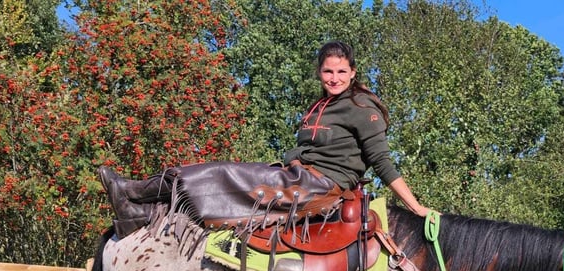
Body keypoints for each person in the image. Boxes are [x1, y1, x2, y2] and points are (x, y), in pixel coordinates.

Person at [99, 41, 429, 238]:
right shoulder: (318, 106)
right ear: (319, 72)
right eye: (328, 71)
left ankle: (131, 190)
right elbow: (303, 146)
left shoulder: (362, 107)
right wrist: (295, 157)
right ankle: (141, 213)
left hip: (324, 188)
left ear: (353, 72)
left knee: (223, 174)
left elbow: (382, 163)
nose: (335, 78)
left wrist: (416, 208)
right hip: (301, 177)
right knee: (230, 180)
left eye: (342, 72)